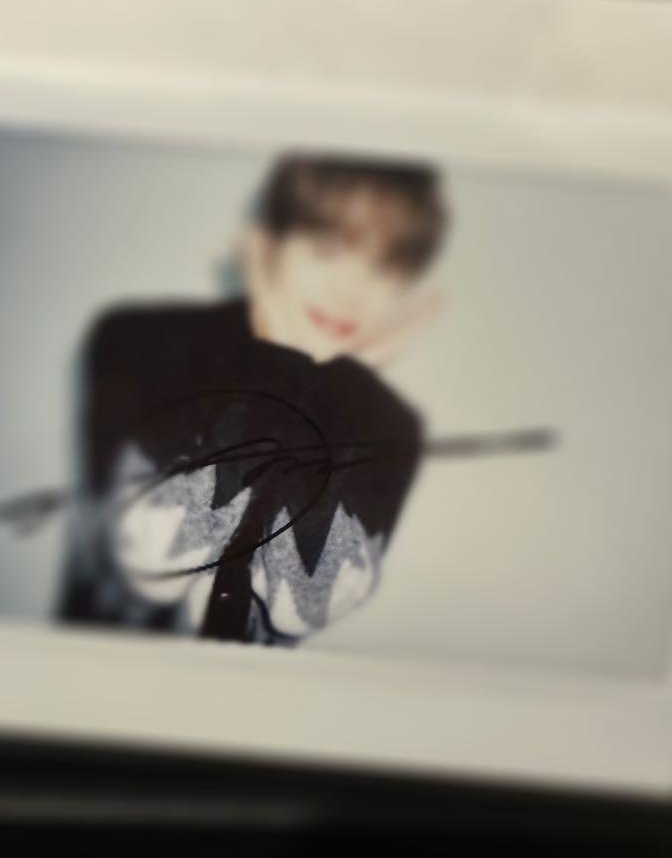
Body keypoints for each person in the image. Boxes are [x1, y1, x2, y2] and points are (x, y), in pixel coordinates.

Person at [56, 153, 448, 645]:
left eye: (383, 269)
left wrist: (335, 381)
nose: (351, 292)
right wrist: (284, 361)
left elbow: (305, 601)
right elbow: (153, 560)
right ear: (267, 246)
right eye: (326, 251)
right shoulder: (136, 341)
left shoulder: (393, 428)